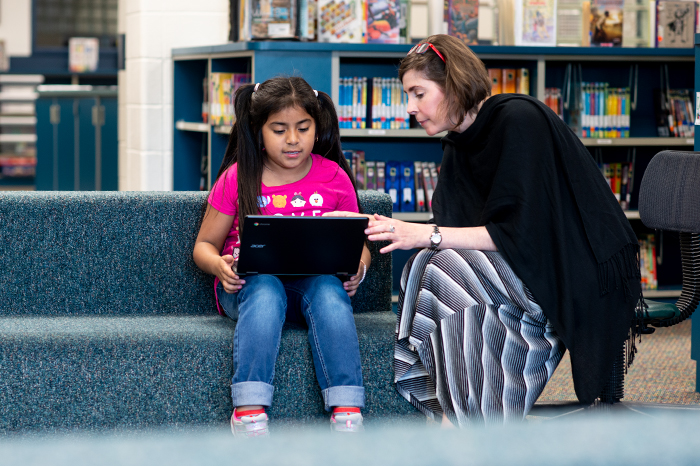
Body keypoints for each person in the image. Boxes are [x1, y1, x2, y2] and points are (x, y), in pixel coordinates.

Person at [329, 35, 642, 426]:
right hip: (518, 269)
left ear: (454, 84)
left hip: (572, 270)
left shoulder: (518, 120)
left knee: (443, 269)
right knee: (427, 266)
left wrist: (423, 234)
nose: (411, 108)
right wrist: (396, 232)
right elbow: (459, 232)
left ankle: (466, 418)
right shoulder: (459, 144)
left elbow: (521, 234)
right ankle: (463, 413)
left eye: (418, 93)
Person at [193, 76, 371, 437]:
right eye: (279, 130)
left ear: (316, 128)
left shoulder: (333, 176)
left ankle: (347, 408)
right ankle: (249, 410)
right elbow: (203, 246)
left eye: (303, 128)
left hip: (313, 284)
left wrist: (360, 268)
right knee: (266, 289)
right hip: (248, 288)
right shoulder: (238, 177)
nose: (292, 140)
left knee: (330, 292)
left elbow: (359, 240)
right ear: (259, 131)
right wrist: (219, 266)